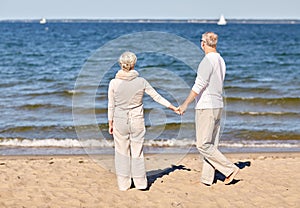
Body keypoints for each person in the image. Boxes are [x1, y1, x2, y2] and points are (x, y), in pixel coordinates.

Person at [108, 51, 179, 191]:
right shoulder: (141, 81)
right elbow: (157, 97)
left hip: (120, 120)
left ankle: (124, 185)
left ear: (121, 65)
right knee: (137, 152)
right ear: (134, 64)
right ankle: (140, 184)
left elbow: (111, 105)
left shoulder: (114, 83)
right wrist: (172, 107)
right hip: (137, 120)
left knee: (121, 152)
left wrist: (110, 122)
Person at [178, 32, 239, 186]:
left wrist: (185, 104)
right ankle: (207, 179)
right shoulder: (221, 60)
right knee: (211, 144)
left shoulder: (207, 61)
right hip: (218, 104)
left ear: (203, 43)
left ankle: (230, 169)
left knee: (203, 144)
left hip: (207, 106)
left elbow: (199, 85)